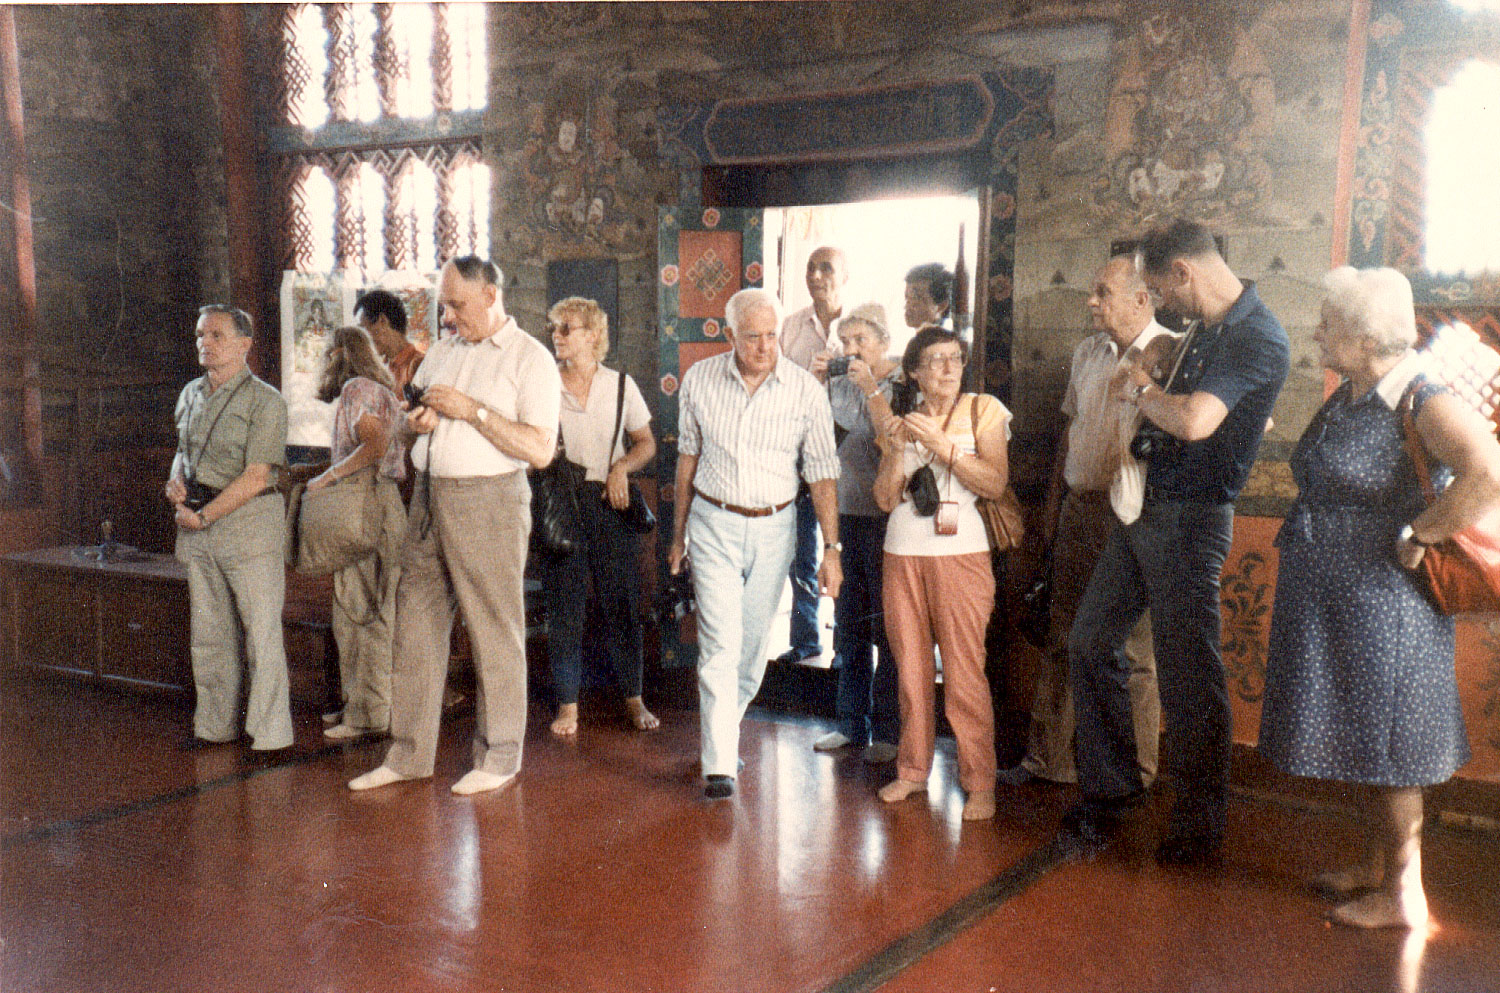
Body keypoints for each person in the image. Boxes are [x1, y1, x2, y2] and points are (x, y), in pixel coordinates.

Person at [1259, 267, 1500, 929]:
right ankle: (1374, 866)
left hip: (1386, 603)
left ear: (1366, 337)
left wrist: (1422, 532)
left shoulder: (1423, 397)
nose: (1316, 334)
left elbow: (1488, 471)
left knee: (1393, 746)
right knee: (1366, 735)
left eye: (1327, 325)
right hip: (1342, 596)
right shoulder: (1360, 390)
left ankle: (1404, 896)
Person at [1063, 219, 1290, 863]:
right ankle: (1114, 793)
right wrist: (1159, 362)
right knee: (1089, 642)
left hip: (1191, 520)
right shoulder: (1204, 329)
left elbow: (1194, 422)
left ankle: (1198, 824)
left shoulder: (1257, 336)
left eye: (1161, 290)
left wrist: (1140, 388)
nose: (1160, 303)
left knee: (1190, 675)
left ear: (1185, 273)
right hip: (1144, 510)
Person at [349, 256, 561, 796]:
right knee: (414, 625)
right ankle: (408, 755)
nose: (448, 315)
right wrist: (417, 425)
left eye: (458, 305)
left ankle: (500, 756)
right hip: (428, 496)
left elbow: (539, 450)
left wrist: (473, 411)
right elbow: (411, 426)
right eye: (444, 304)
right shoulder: (441, 352)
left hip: (489, 499)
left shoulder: (529, 358)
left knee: (494, 629)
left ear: (491, 296)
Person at [1000, 256, 1172, 788]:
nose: (1091, 302)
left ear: (1142, 299)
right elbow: (1068, 434)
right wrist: (1054, 507)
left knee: (1137, 650)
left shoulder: (1175, 353)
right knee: (1064, 635)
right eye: (1092, 291)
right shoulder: (1086, 352)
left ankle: (1136, 773)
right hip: (1080, 509)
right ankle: (1048, 760)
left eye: (1103, 292)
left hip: (1141, 518)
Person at [670, 287, 842, 800]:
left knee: (750, 650)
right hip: (712, 523)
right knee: (720, 645)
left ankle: (724, 731)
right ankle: (719, 763)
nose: (766, 346)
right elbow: (686, 461)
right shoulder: (700, 380)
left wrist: (832, 549)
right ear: (730, 336)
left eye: (771, 335)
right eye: (753, 337)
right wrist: (675, 535)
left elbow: (822, 473)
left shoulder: (805, 391)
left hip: (775, 527)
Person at [872, 326, 1012, 821]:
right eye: (936, 360)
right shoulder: (900, 421)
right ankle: (912, 771)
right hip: (903, 552)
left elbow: (994, 482)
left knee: (963, 669)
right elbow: (886, 500)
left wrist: (945, 447)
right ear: (914, 371)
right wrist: (893, 451)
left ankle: (979, 781)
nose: (950, 368)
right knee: (909, 669)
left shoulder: (983, 410)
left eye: (955, 358)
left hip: (962, 554)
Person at [164, 305, 292, 752]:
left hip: (248, 526)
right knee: (210, 634)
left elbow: (258, 474)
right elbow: (183, 451)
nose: (205, 343)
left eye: (217, 335)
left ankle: (271, 736)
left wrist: (205, 516)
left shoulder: (266, 402)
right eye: (201, 335)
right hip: (198, 526)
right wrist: (175, 483)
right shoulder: (190, 394)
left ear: (244, 345)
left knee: (260, 634)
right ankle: (214, 726)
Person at [543, 296, 659, 737]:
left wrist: (621, 468)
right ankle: (568, 706)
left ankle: (634, 697)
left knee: (622, 603)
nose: (557, 336)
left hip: (611, 504)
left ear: (593, 335)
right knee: (565, 605)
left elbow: (646, 442)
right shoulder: (543, 384)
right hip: (560, 505)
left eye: (566, 328)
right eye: (554, 328)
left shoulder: (621, 384)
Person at [808, 302, 902, 763]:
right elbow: (818, 431)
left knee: (887, 627)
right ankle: (849, 725)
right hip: (845, 513)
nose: (851, 350)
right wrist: (817, 381)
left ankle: (887, 732)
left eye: (861, 341)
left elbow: (879, 431)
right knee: (848, 626)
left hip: (889, 519)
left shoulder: (901, 383)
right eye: (845, 342)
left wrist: (869, 387)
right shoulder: (839, 383)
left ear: (884, 342)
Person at [308, 326, 408, 741]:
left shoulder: (356, 389)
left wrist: (330, 475)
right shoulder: (379, 388)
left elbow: (375, 446)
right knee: (372, 607)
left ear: (339, 353)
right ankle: (364, 705)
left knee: (358, 610)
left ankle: (366, 715)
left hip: (363, 502)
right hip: (383, 503)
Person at [776, 246, 848, 666]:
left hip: (848, 457)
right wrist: (811, 379)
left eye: (827, 268)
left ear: (845, 276)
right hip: (800, 457)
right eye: (811, 267)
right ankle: (806, 640)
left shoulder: (859, 327)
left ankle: (847, 647)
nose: (817, 275)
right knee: (800, 551)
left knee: (842, 553)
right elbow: (781, 389)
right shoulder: (790, 328)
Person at [355, 289, 424, 392]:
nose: (360, 339)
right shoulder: (378, 369)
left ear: (382, 321)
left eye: (363, 329)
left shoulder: (419, 366)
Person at [903, 263, 953, 331]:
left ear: (941, 306)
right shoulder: (919, 339)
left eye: (917, 298)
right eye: (907, 298)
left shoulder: (943, 341)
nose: (907, 306)